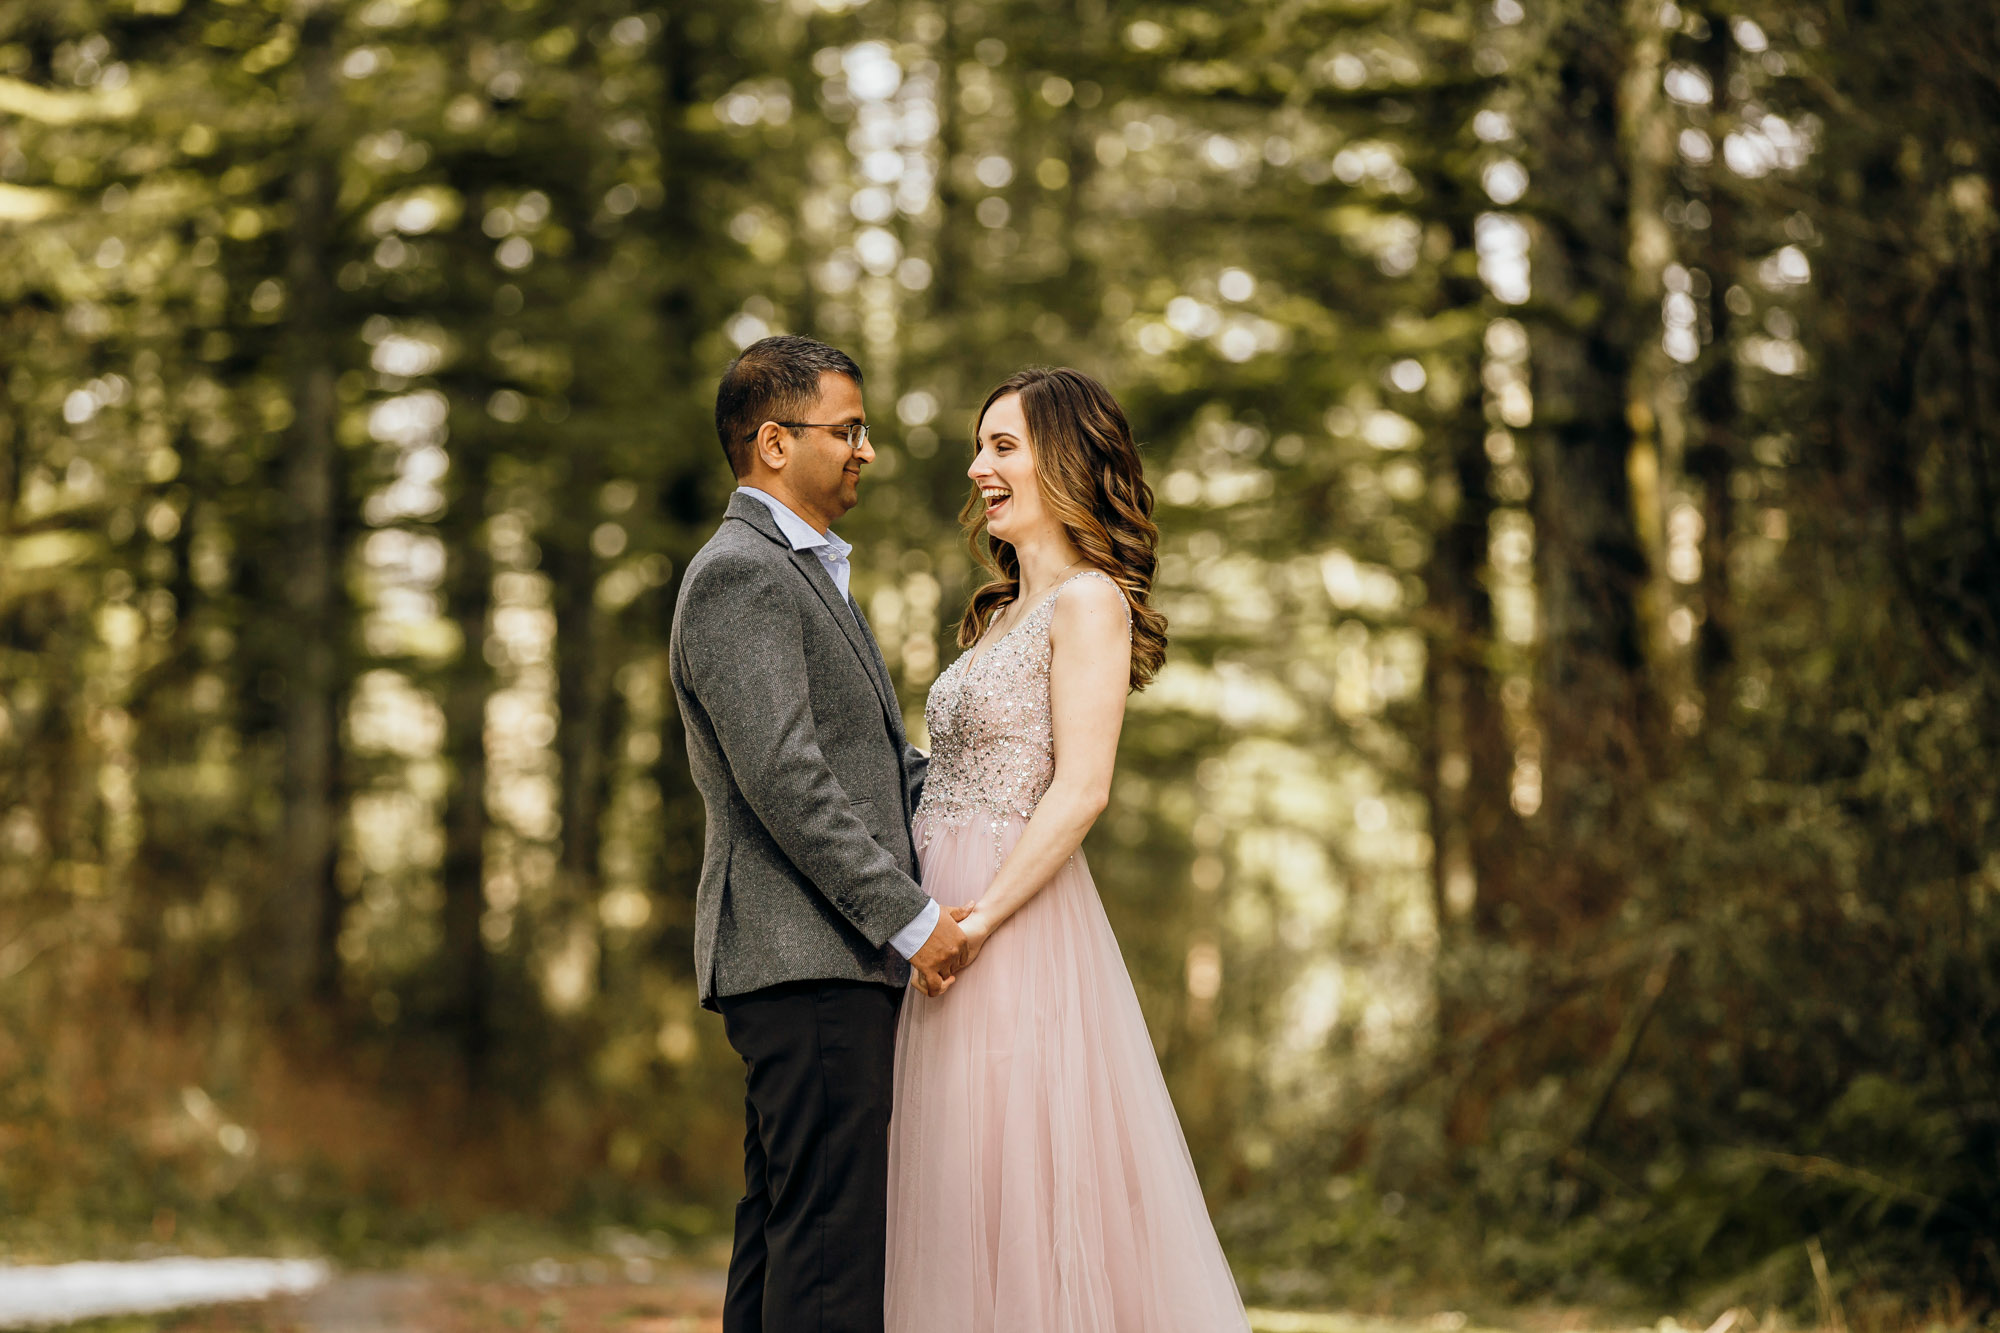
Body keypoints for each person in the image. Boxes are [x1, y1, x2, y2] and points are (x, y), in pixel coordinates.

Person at [885, 367, 1251, 1330]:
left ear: (1067, 460)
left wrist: (979, 921)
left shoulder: (1089, 603)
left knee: (1024, 1173)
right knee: (956, 1175)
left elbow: (1082, 787)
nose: (979, 468)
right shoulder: (996, 613)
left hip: (1009, 921)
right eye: (981, 447)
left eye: (1002, 446)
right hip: (942, 906)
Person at [668, 334, 971, 1333]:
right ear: (770, 443)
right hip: (809, 960)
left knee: (788, 1233)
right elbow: (786, 778)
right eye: (845, 429)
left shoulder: (794, 569)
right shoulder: (742, 573)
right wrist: (909, 918)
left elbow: (864, 769)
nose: (865, 449)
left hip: (813, 962)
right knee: (833, 1258)